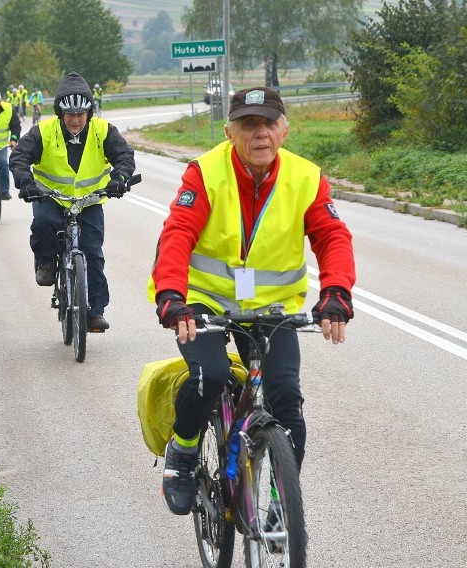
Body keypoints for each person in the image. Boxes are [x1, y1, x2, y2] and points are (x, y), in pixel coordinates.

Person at [149, 87, 356, 515]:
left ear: (284, 129)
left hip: (272, 307)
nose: (259, 133)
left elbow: (332, 236)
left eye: (268, 122)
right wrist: (172, 295)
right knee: (209, 375)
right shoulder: (205, 173)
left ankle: (283, 501)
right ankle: (184, 453)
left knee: (286, 401)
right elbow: (178, 234)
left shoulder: (306, 178)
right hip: (203, 300)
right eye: (248, 124)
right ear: (230, 132)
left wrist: (335, 292)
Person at [10, 72, 136, 332]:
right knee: (44, 223)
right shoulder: (43, 131)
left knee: (93, 253)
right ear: (60, 114)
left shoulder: (104, 130)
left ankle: (95, 312)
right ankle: (46, 261)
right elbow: (20, 156)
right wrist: (26, 182)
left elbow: (124, 155)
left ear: (89, 113)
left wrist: (119, 178)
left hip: (89, 201)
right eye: (70, 115)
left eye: (81, 114)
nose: (76, 120)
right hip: (51, 197)